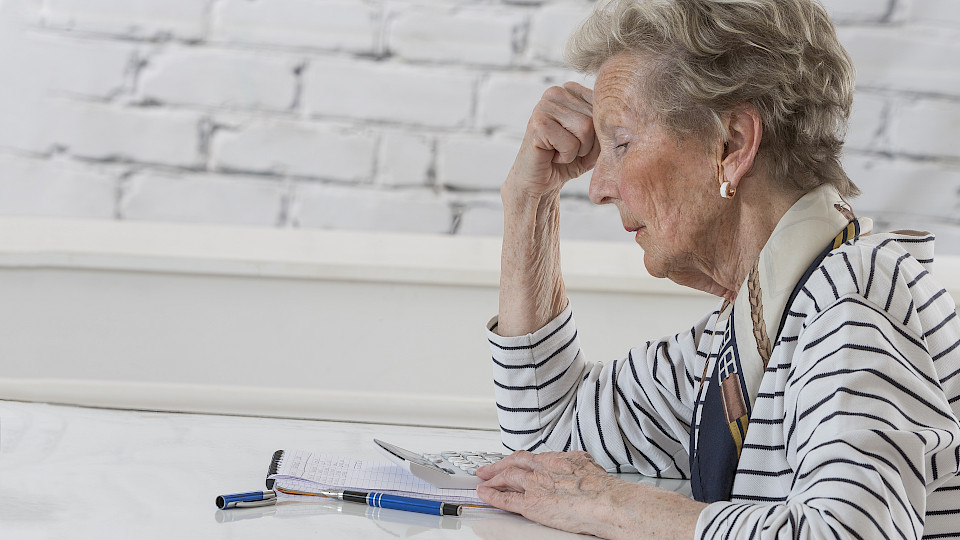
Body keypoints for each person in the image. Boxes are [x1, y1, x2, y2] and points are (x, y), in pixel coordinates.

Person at [473, 0, 960, 538]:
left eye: (622, 143)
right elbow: (547, 440)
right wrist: (529, 203)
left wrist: (613, 504)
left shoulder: (856, 299)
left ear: (731, 145)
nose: (598, 186)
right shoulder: (753, 325)